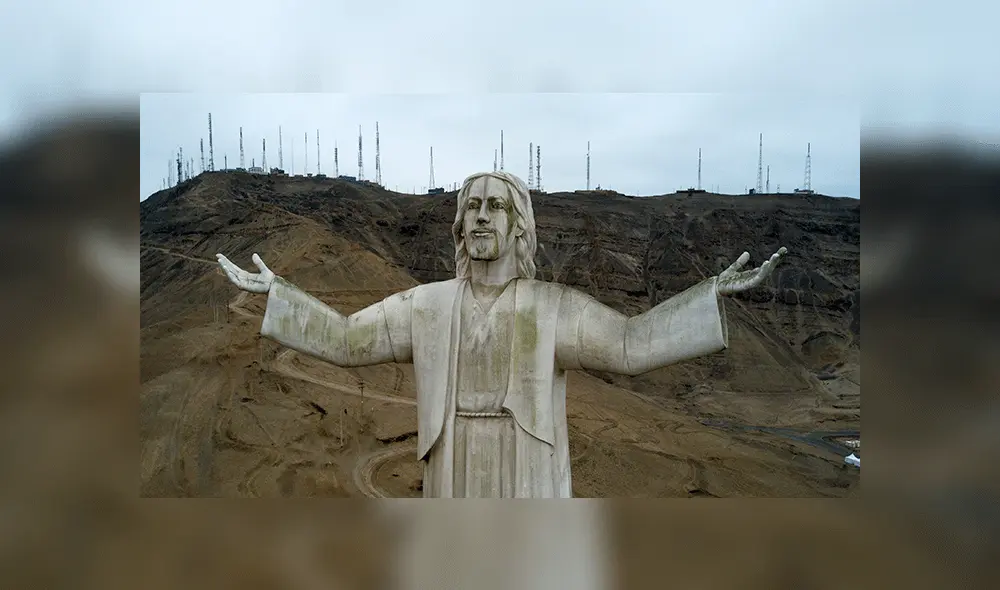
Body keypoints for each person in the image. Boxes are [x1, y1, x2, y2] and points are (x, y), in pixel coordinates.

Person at [217, 171, 786, 498]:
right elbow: (345, 341)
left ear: (519, 226)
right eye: (472, 207)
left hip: (526, 464)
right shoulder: (427, 305)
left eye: (496, 206)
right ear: (461, 223)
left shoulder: (552, 307)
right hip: (453, 461)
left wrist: (711, 293)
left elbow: (630, 345)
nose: (482, 216)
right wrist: (280, 295)